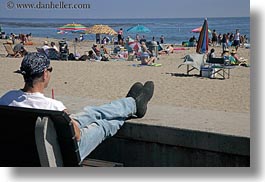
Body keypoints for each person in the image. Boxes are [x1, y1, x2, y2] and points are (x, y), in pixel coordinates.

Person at [0, 52, 154, 162]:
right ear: (45, 74)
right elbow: (78, 136)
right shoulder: (52, 106)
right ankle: (132, 105)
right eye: (50, 70)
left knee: (90, 113)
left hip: (26, 154)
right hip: (62, 155)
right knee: (103, 124)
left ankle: (131, 103)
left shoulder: (6, 99)